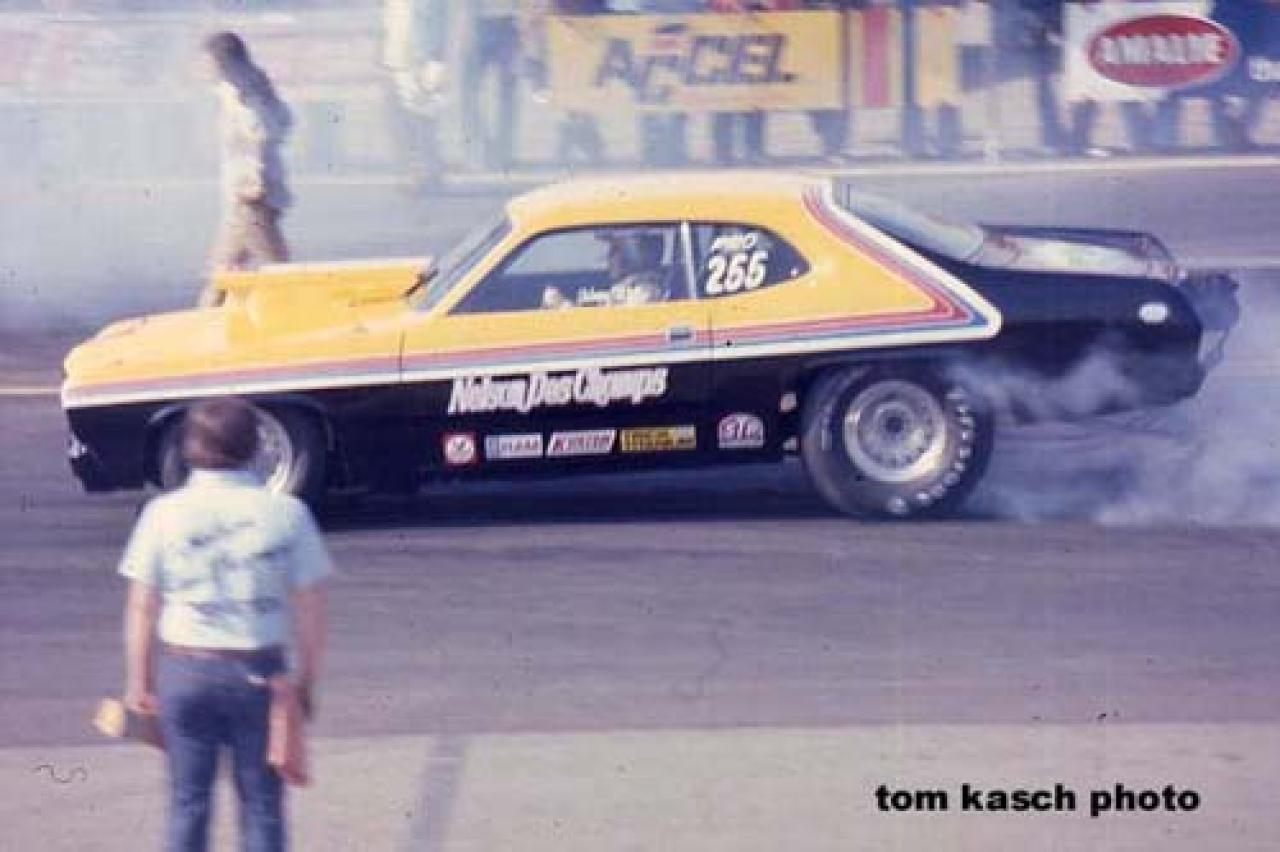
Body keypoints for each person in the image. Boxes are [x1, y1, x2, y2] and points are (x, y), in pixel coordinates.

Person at [120, 397, 333, 852]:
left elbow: (142, 606)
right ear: (254, 446)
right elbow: (311, 609)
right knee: (262, 807)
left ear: (189, 448)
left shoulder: (162, 514)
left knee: (187, 803)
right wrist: (307, 683)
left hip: (185, 671)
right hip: (259, 674)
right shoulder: (287, 514)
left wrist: (140, 682)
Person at [203, 32, 294, 279]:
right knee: (223, 272)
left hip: (251, 197)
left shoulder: (245, 95)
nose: (204, 68)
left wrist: (253, 181)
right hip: (244, 197)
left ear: (222, 61)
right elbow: (283, 122)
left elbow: (258, 136)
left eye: (208, 61)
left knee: (277, 271)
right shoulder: (239, 89)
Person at [382, 0, 449, 189]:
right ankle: (423, 172)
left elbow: (434, 25)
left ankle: (426, 174)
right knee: (407, 120)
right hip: (398, 61)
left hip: (420, 61)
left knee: (421, 119)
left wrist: (427, 61)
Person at [543, 231, 668, 307]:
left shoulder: (646, 291)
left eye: (615, 249)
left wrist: (564, 307)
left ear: (635, 254)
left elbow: (615, 327)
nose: (608, 257)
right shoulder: (631, 286)